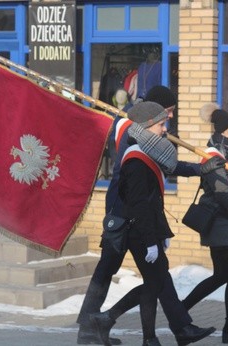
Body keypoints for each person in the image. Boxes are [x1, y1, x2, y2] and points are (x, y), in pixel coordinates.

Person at [77, 90, 213, 345]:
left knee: (155, 277)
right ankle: (94, 326)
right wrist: (149, 231)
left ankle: (164, 331)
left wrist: (199, 168)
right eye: (168, 113)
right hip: (124, 218)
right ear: (152, 114)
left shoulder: (150, 140)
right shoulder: (133, 140)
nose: (170, 118)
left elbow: (167, 167)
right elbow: (136, 186)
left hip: (137, 218)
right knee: (121, 274)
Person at [181, 104, 228, 344]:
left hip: (225, 222)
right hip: (220, 222)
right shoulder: (213, 157)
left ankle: (180, 313)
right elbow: (224, 193)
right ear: (224, 132)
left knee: (223, 274)